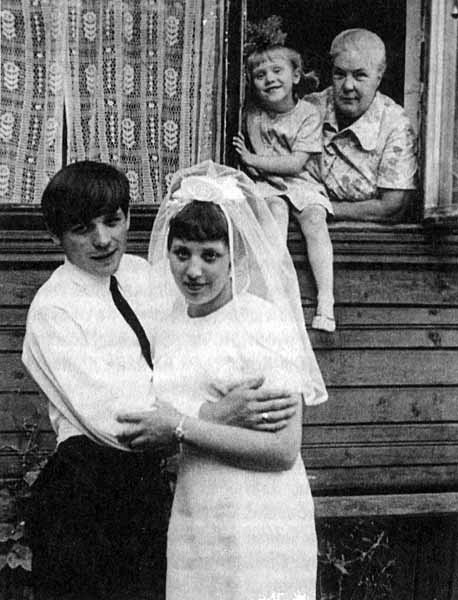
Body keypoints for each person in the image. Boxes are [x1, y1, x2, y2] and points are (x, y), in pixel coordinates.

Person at [21, 160, 298, 600]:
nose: (102, 239)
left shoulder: (143, 276)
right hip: (85, 494)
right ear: (55, 235)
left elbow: (193, 345)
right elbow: (122, 424)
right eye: (81, 229)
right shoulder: (54, 311)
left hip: (149, 492)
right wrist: (215, 413)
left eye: (113, 221)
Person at [118, 161, 328, 600]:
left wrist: (182, 427)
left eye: (210, 255)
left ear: (235, 257)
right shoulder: (170, 324)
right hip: (197, 510)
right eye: (182, 253)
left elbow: (282, 449)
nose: (193, 271)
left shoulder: (261, 323)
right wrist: (201, 421)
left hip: (260, 518)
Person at [233, 41, 336, 333]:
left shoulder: (308, 113)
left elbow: (296, 163)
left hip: (301, 180)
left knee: (314, 219)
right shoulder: (253, 115)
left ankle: (326, 299)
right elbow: (257, 161)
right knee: (273, 213)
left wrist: (253, 160)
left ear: (296, 76)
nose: (270, 79)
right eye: (260, 75)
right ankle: (273, 294)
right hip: (269, 183)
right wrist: (254, 165)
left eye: (277, 71)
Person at [305, 28, 417, 222]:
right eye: (340, 74)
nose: (348, 86)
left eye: (359, 75)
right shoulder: (310, 109)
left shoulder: (394, 124)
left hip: (367, 236)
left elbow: (392, 206)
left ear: (378, 77)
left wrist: (321, 208)